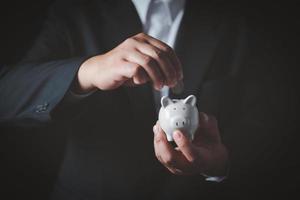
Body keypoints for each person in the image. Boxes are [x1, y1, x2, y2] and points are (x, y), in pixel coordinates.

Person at [0, 0, 278, 199]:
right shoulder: (76, 10)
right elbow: (7, 97)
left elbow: (268, 124)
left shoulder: (238, 19)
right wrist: (87, 71)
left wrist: (221, 163)